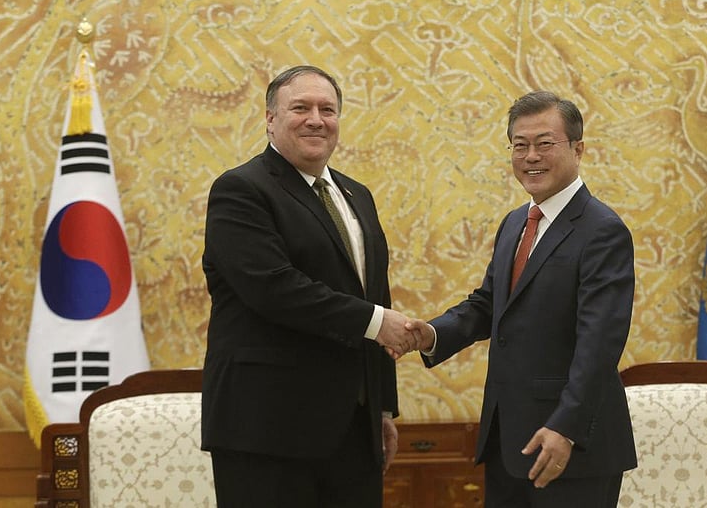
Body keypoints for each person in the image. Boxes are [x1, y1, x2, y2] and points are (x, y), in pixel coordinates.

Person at [405, 91, 637, 507]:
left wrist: (565, 427)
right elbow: (488, 304)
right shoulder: (515, 223)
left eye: (545, 144)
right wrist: (431, 334)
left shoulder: (602, 230)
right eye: (520, 145)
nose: (531, 156)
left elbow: (599, 342)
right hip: (508, 440)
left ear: (578, 149)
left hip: (570, 445)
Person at [200, 65, 413, 507]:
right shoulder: (241, 189)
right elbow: (273, 288)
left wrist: (382, 408)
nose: (316, 119)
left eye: (328, 109)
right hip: (267, 429)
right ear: (270, 119)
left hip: (353, 430)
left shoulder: (357, 195)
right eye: (301, 108)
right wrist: (375, 323)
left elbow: (376, 296)